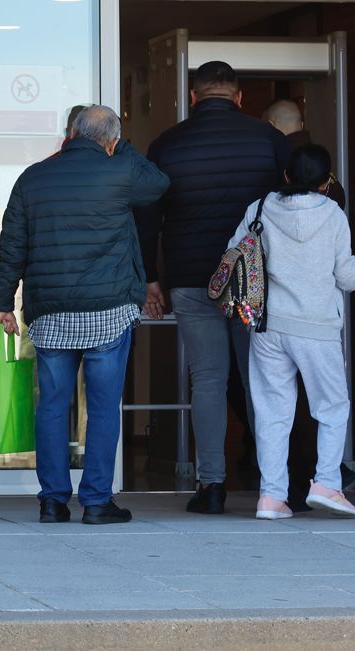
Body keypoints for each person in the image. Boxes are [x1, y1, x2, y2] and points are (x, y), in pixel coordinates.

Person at [0, 105, 169, 524]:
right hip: (108, 310)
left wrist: (1, 302)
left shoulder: (31, 178)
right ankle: (96, 501)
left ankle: (52, 501)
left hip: (50, 313)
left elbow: (12, 246)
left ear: (70, 133)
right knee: (103, 408)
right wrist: (121, 146)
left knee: (52, 406)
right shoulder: (120, 171)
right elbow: (159, 184)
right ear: (109, 139)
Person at [135, 60, 290, 515]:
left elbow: (147, 216)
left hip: (190, 275)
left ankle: (213, 486)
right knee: (260, 379)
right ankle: (273, 485)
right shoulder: (268, 140)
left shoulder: (167, 144)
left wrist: (150, 277)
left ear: (193, 97)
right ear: (239, 97)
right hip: (252, 280)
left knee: (207, 379)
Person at [236, 142, 355, 520]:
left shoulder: (259, 208)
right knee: (331, 406)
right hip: (317, 328)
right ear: (326, 182)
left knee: (272, 412)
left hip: (268, 325)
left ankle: (271, 497)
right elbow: (347, 278)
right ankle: (327, 482)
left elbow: (235, 254)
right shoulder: (333, 214)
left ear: (287, 176)